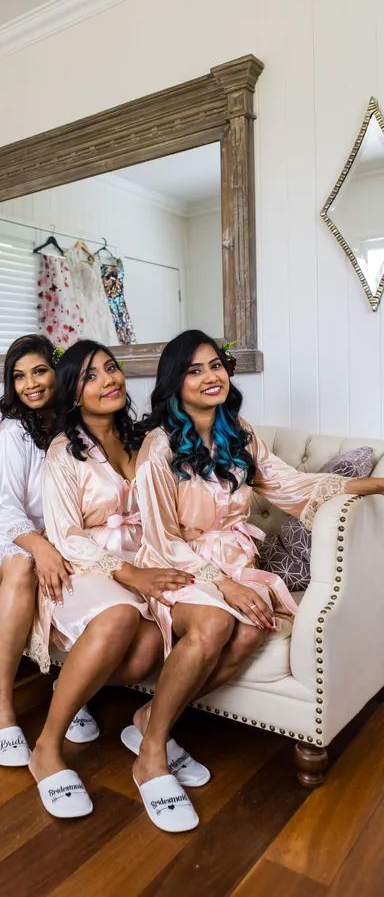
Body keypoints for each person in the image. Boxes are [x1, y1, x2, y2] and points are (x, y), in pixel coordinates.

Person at [130, 329, 384, 831]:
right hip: (177, 564)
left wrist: (379, 483)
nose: (211, 377)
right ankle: (151, 754)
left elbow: (295, 486)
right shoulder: (158, 450)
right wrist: (222, 584)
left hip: (234, 562)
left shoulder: (238, 433)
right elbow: (160, 539)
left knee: (253, 627)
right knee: (215, 628)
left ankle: (148, 720)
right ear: (174, 382)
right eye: (195, 369)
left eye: (217, 365)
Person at [29, 340, 207, 819]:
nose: (108, 380)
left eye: (111, 369)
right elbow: (65, 536)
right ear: (72, 393)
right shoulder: (65, 452)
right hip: (86, 564)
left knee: (149, 648)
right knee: (120, 615)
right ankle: (46, 746)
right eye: (90, 376)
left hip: (144, 558)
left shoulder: (143, 439)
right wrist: (133, 576)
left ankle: (80, 686)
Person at [0, 335, 99, 766]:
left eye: (39, 371)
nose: (30, 384)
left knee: (88, 577)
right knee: (24, 568)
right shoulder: (14, 434)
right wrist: (40, 548)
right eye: (18, 377)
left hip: (60, 532)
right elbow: (5, 508)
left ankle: (69, 687)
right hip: (4, 527)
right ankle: (0, 708)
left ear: (57, 373)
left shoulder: (79, 425)